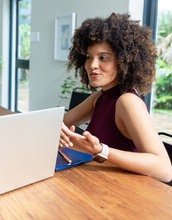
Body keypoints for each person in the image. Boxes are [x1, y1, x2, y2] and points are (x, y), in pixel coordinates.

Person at [60, 13, 172, 183]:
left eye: (103, 58)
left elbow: (164, 169)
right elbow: (62, 122)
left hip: (124, 193)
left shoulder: (128, 101)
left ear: (123, 61)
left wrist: (101, 150)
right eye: (89, 57)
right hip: (101, 185)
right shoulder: (101, 97)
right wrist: (58, 130)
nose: (92, 65)